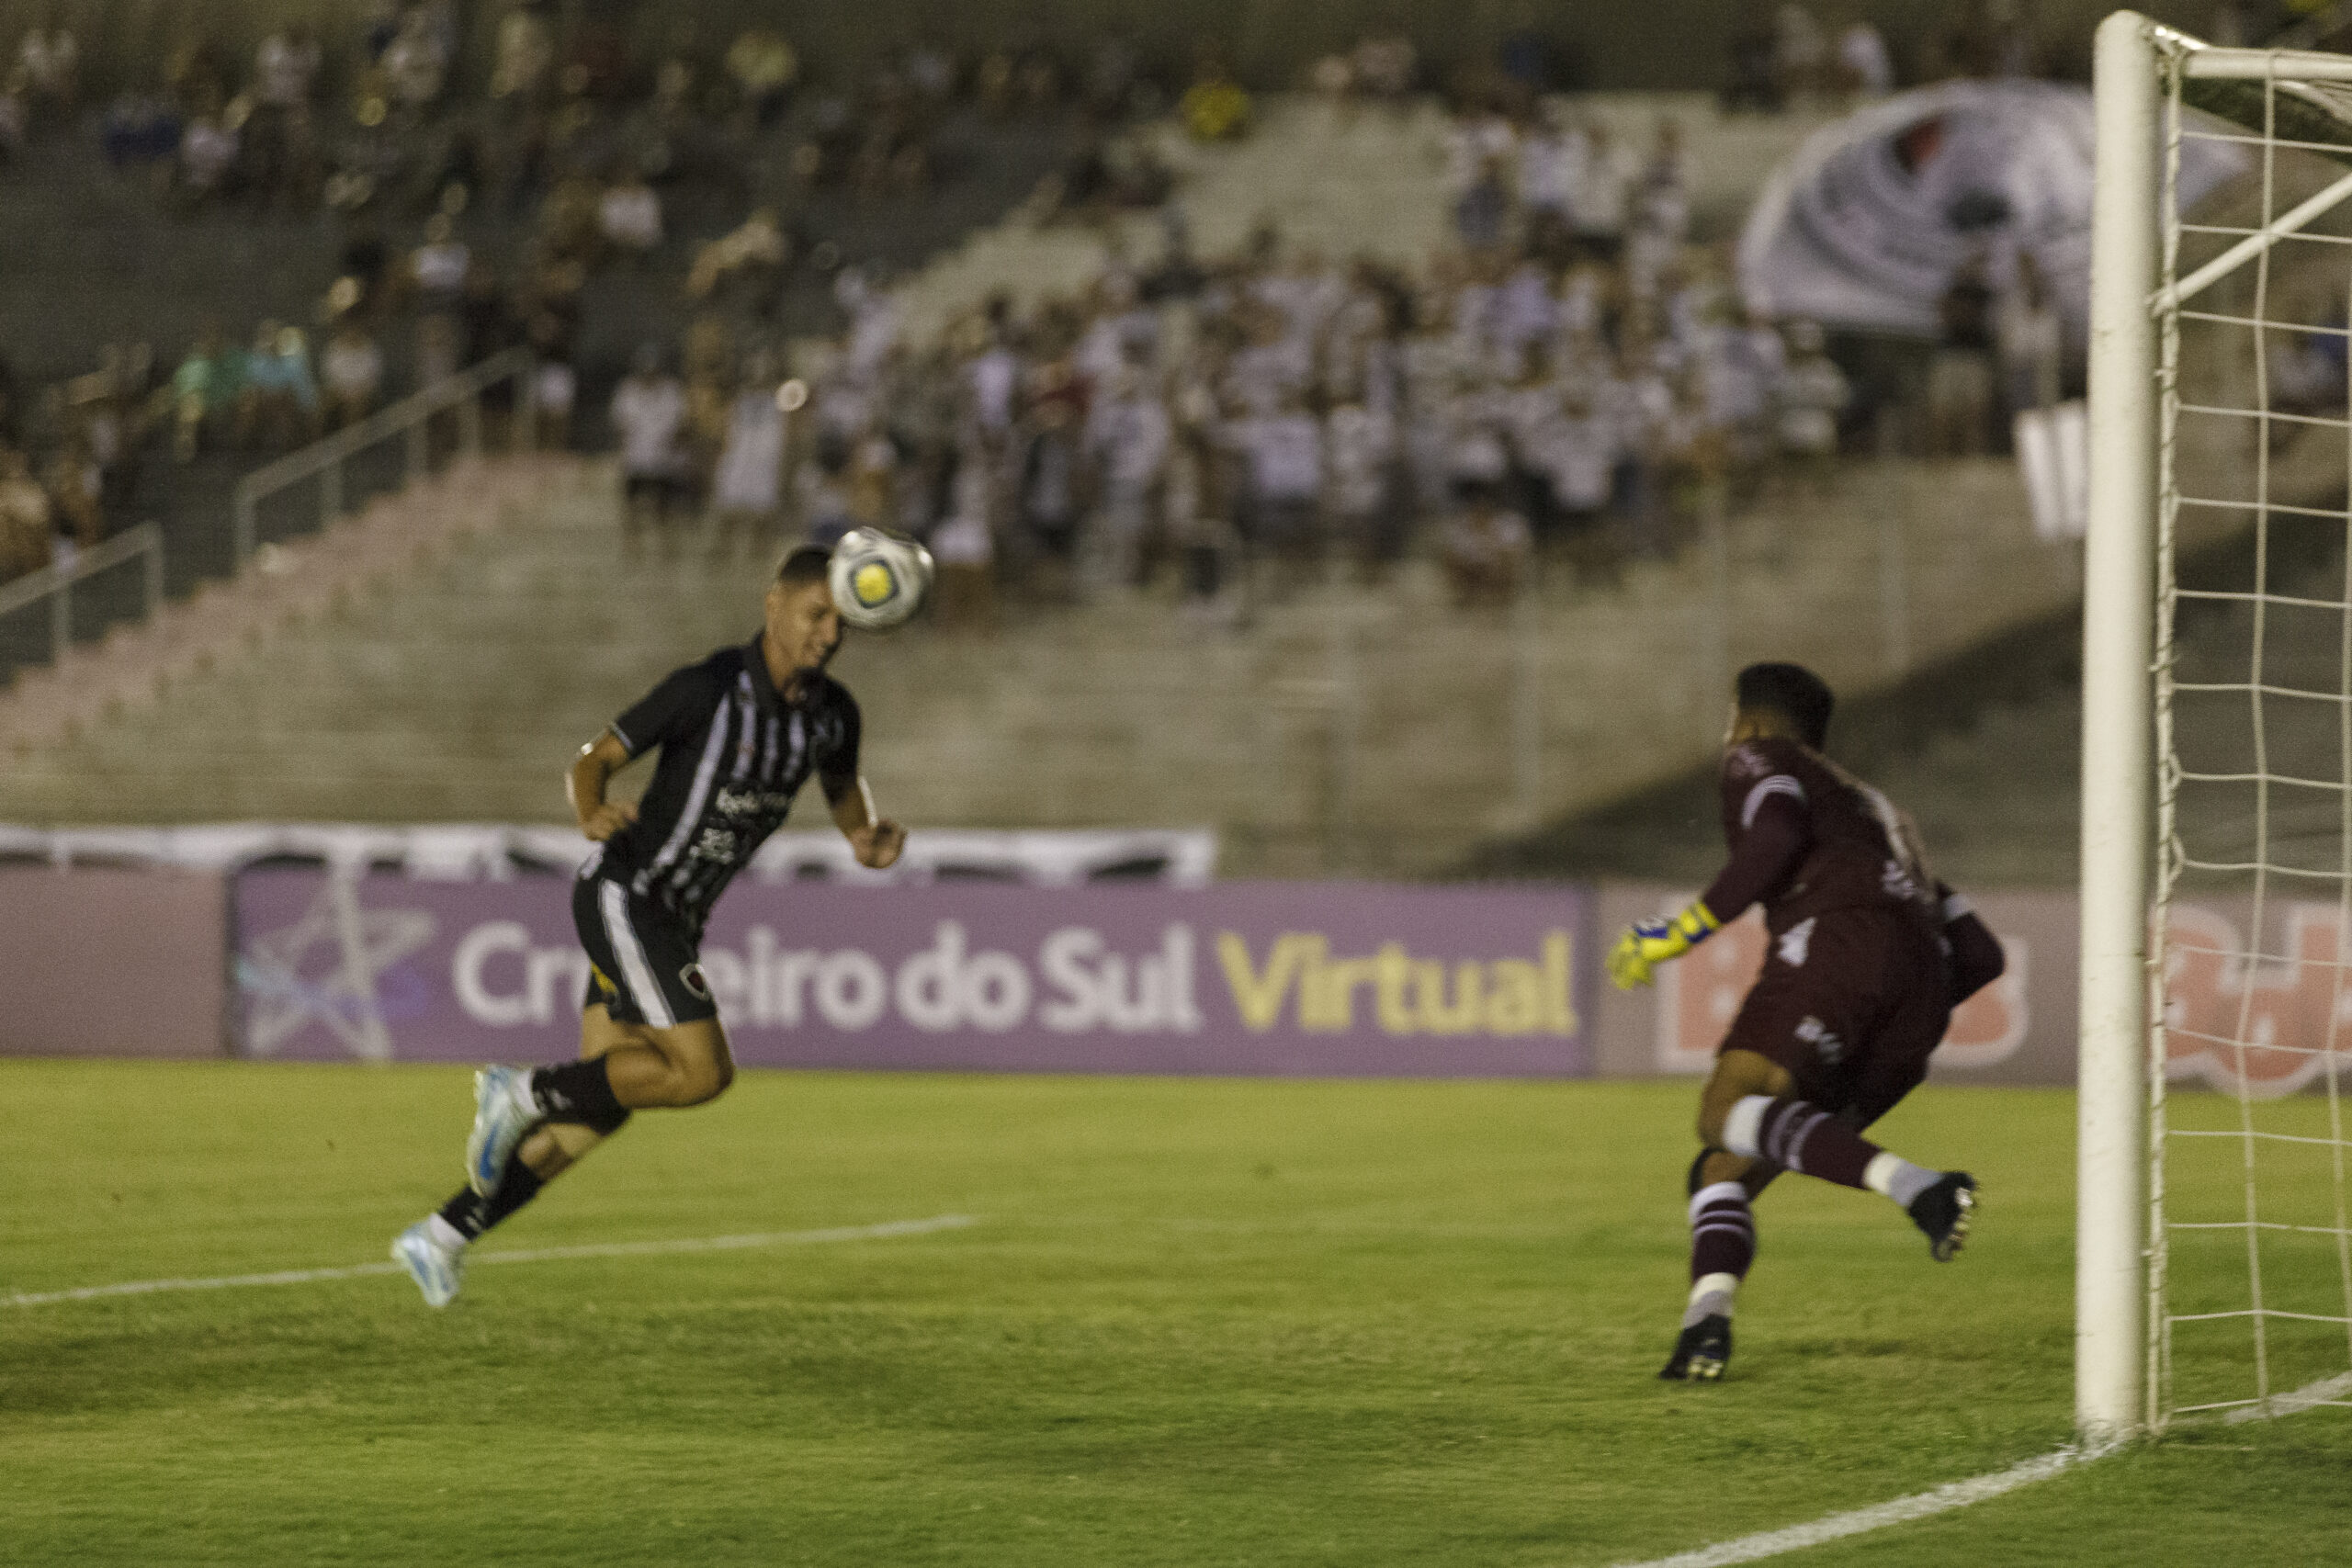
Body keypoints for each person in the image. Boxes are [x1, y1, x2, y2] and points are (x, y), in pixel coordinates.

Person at [392, 546, 908, 1307]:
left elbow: (841, 785)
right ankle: (520, 1089)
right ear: (774, 605)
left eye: (840, 621)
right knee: (702, 1072)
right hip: (627, 896)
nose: (828, 634)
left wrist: (862, 834)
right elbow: (593, 757)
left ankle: (443, 1234)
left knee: (603, 1101)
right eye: (816, 613)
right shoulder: (705, 689)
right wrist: (590, 808)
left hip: (673, 921)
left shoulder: (833, 717)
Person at [1607, 662, 2005, 1382]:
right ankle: (1706, 1325)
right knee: (1727, 1163)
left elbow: (1774, 836)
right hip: (1914, 1013)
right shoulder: (1880, 814)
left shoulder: (1762, 757)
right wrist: (1897, 1006)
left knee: (1722, 1110)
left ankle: (1921, 1187)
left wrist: (1681, 931)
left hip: (1837, 946)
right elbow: (1981, 954)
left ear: (1749, 720)